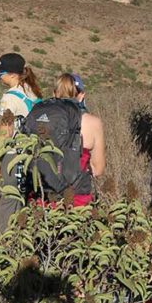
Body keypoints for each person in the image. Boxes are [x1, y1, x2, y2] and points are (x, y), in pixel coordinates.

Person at [0, 53, 43, 234]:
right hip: (29, 157)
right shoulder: (30, 90)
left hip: (12, 157)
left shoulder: (9, 98)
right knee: (22, 201)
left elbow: (6, 131)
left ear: (12, 75)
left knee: (5, 205)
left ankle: (2, 245)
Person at [52, 73, 106, 205]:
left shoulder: (42, 118)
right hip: (77, 200)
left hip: (45, 197)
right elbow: (98, 170)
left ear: (54, 94)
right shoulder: (93, 123)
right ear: (81, 95)